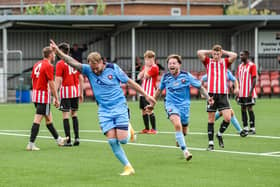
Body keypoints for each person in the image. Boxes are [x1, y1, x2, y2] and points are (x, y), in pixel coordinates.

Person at [50, 39, 156, 176]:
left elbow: (129, 82)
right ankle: (128, 167)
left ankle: (129, 128)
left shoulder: (113, 68)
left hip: (119, 107)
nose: (94, 70)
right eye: (92, 68)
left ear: (101, 62)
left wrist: (146, 95)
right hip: (104, 110)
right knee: (112, 140)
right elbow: (71, 61)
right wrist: (58, 52)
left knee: (123, 140)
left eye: (96, 67)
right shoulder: (88, 70)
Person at [147, 54, 213, 161]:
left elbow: (200, 87)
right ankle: (185, 151)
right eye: (169, 63)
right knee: (177, 125)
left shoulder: (186, 76)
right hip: (171, 105)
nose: (171, 65)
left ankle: (180, 138)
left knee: (184, 131)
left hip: (184, 107)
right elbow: (158, 91)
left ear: (179, 65)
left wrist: (208, 98)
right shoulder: (166, 77)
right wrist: (152, 105)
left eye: (174, 63)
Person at [197, 44, 237, 150]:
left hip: (223, 94)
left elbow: (234, 55)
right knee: (211, 119)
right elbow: (199, 52)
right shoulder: (208, 62)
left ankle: (219, 134)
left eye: (217, 53)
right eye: (214, 54)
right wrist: (211, 51)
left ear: (221, 54)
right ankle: (211, 144)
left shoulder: (225, 62)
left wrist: (223, 52)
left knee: (228, 118)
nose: (215, 55)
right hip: (211, 94)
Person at [27, 46, 66, 151]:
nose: (54, 56)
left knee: (48, 119)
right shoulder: (48, 66)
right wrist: (56, 98)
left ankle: (59, 140)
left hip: (36, 95)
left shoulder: (36, 64)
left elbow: (32, 80)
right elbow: (52, 84)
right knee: (38, 119)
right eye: (53, 54)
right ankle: (31, 144)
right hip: (43, 97)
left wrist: (36, 90)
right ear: (50, 55)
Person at [201, 70, 248, 137]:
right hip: (213, 96)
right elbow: (202, 79)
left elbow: (234, 80)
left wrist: (236, 88)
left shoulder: (226, 72)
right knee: (227, 112)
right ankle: (240, 131)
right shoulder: (212, 72)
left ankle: (240, 131)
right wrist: (202, 92)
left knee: (229, 112)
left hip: (223, 97)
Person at [55, 42, 84, 146]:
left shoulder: (60, 63)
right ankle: (77, 138)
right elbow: (81, 77)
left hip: (66, 92)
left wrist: (55, 95)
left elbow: (58, 79)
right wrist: (81, 92)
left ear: (61, 52)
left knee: (65, 115)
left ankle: (68, 140)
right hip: (75, 91)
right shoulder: (74, 61)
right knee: (74, 114)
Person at [137, 50, 159, 134]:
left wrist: (145, 68)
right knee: (143, 110)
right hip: (143, 91)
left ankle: (154, 129)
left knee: (149, 109)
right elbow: (139, 76)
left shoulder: (155, 67)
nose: (147, 61)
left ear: (153, 59)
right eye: (146, 59)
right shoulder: (145, 67)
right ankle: (146, 128)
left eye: (149, 59)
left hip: (149, 92)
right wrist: (144, 69)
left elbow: (146, 76)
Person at [236, 50, 257, 134]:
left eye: (242, 55)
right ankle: (245, 128)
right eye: (240, 55)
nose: (240, 57)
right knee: (242, 108)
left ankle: (252, 128)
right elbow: (238, 79)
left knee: (250, 108)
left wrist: (250, 92)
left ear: (247, 56)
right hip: (241, 92)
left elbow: (254, 79)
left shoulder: (252, 65)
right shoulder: (240, 66)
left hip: (249, 92)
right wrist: (237, 92)